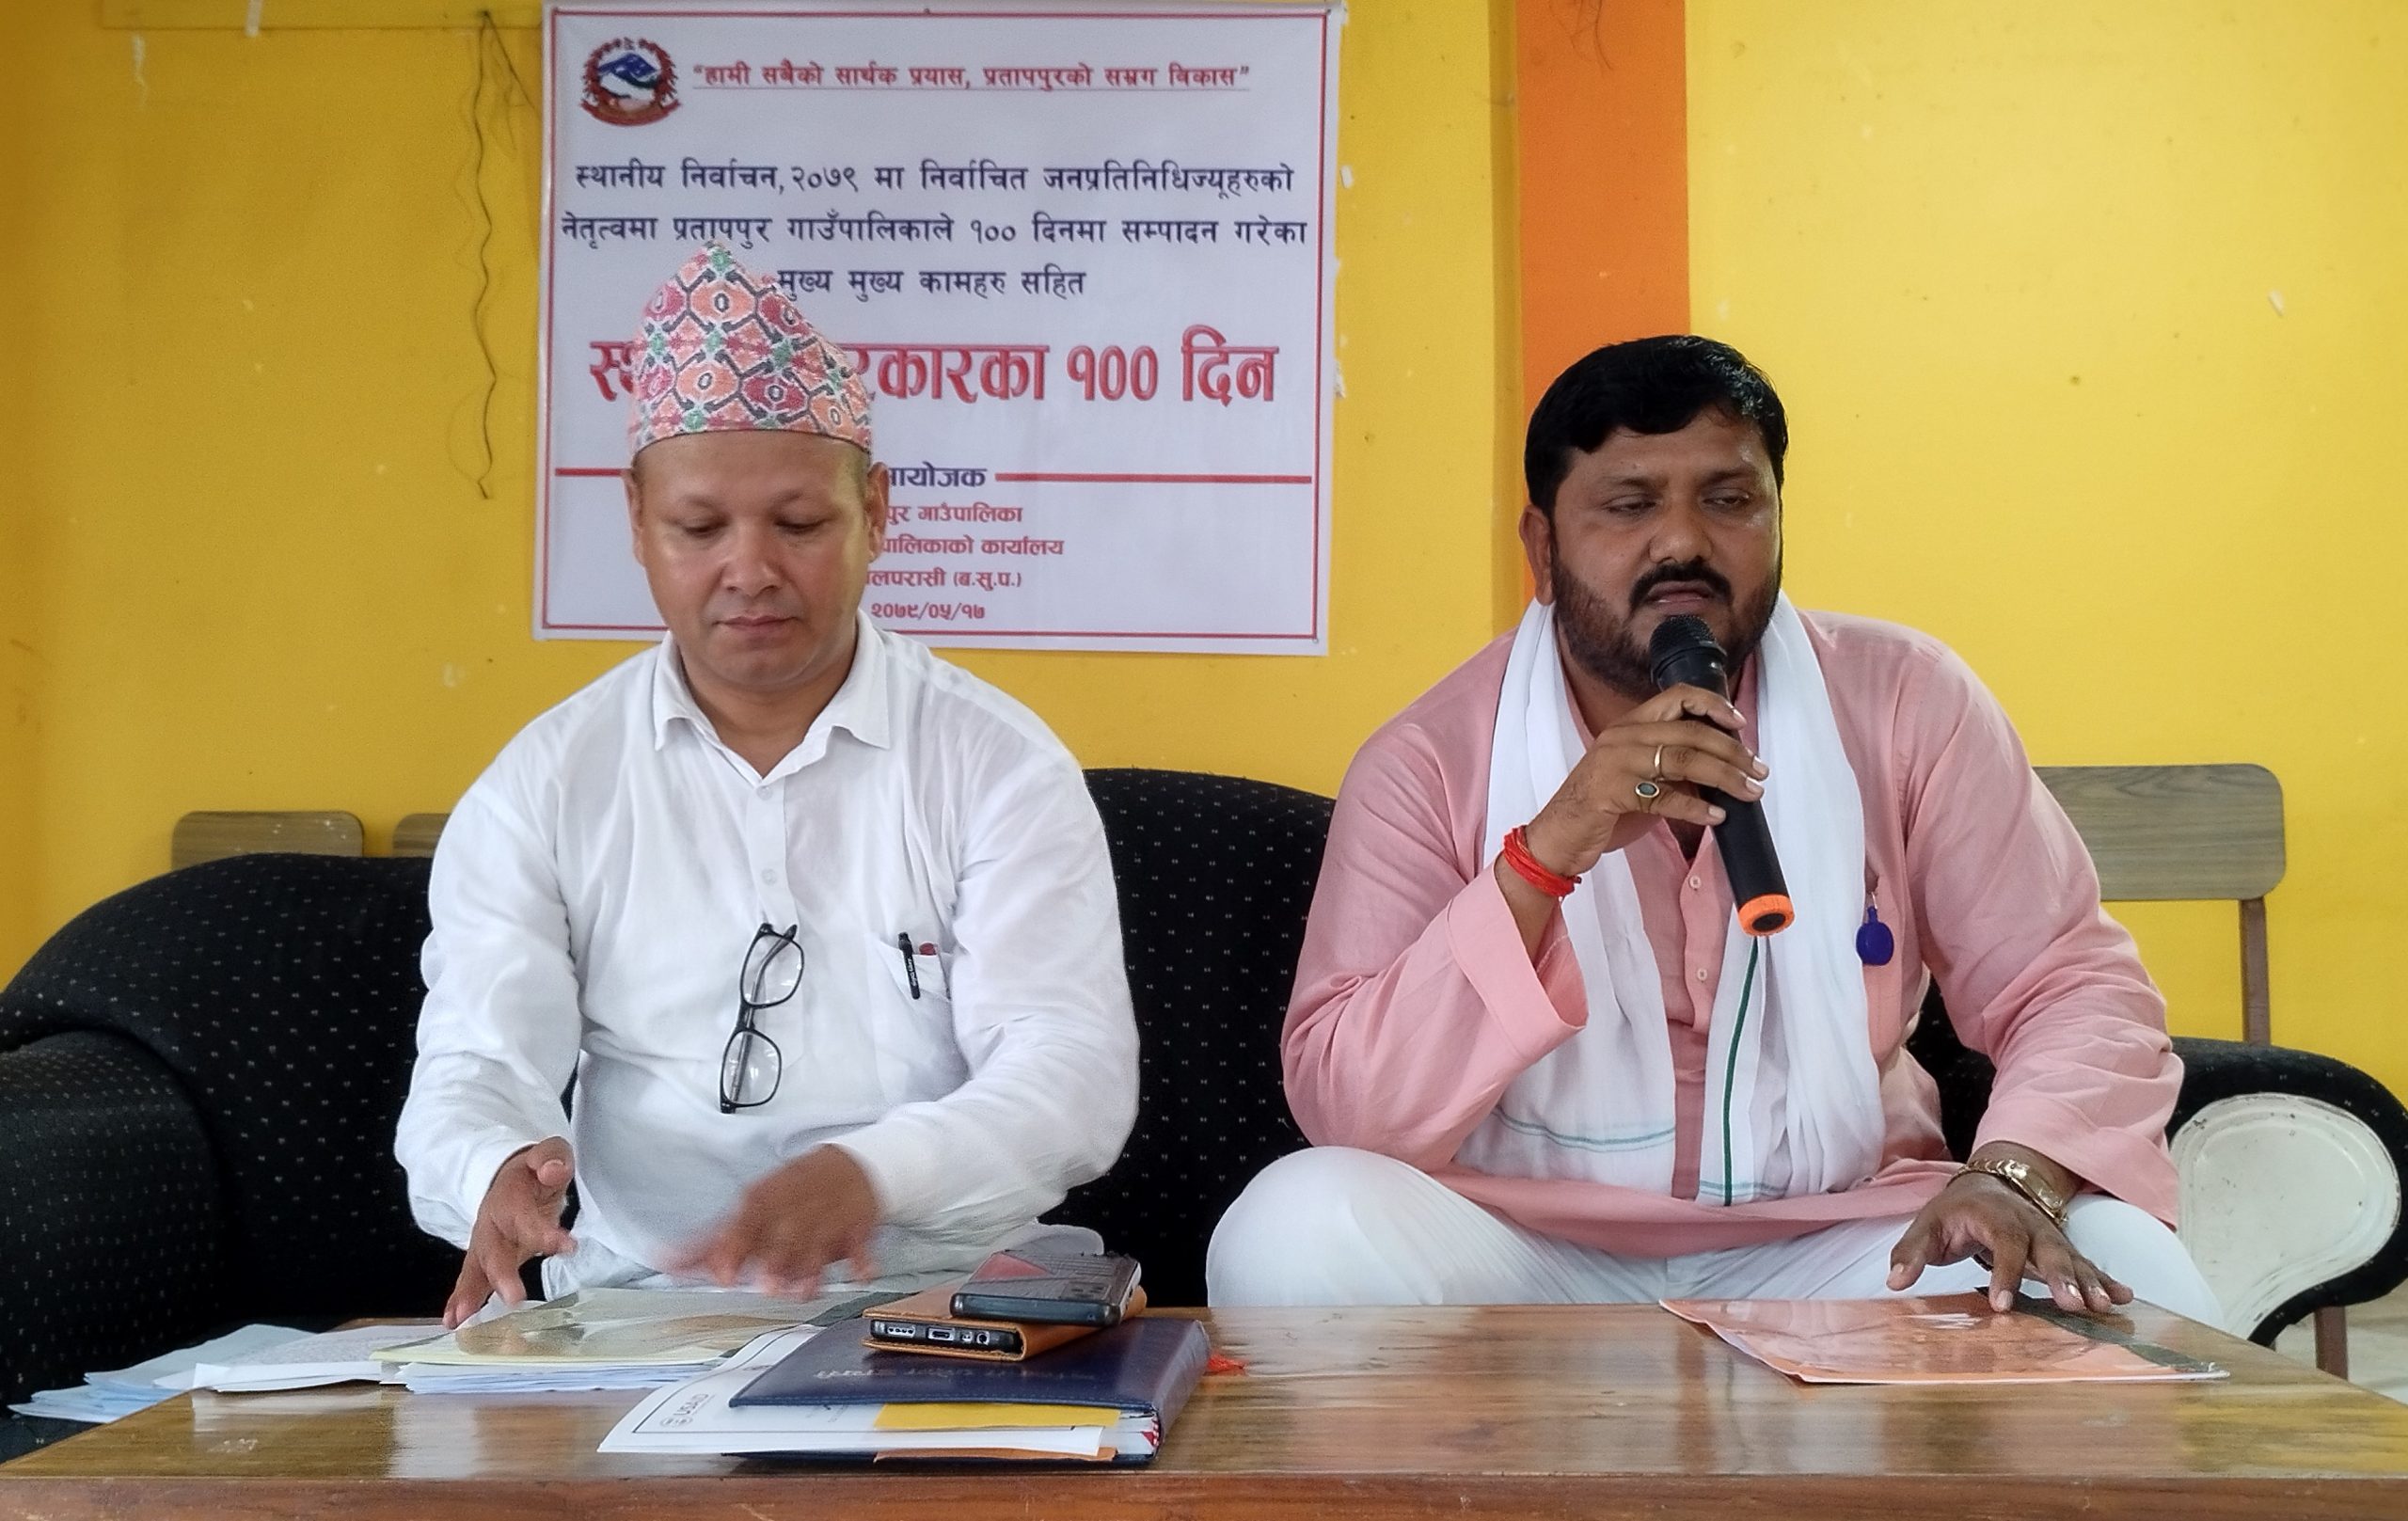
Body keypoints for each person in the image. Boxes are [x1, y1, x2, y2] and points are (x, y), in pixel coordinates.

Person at [1207, 336, 2221, 1324]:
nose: (1683, 544)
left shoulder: (1906, 704)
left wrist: (2013, 1174)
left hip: (1849, 1243)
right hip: (1522, 1256)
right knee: (1293, 1229)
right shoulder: (1430, 758)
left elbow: (2071, 985)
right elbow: (1352, 1107)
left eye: (1729, 500)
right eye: (1629, 505)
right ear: (1542, 550)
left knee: (2130, 1267)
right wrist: (1547, 850)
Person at [396, 244, 1137, 1327]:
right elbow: (476, 1053)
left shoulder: (994, 763)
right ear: (636, 521)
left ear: (875, 512)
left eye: (798, 524)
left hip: (952, 1302)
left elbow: (1071, 1072)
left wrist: (872, 1174)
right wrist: (492, 1165)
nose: (749, 569)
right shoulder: (547, 784)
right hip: (638, 1312)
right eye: (699, 529)